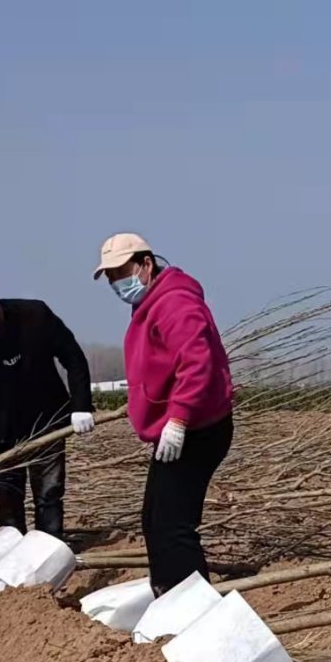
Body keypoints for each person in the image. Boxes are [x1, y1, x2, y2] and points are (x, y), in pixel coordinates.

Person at [92, 233, 234, 594]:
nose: (115, 283)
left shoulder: (174, 302)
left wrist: (178, 418)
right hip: (178, 428)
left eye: (120, 272)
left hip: (196, 429)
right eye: (109, 277)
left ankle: (192, 605)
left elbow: (197, 361)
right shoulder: (150, 303)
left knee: (173, 524)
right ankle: (168, 593)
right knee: (155, 519)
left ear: (146, 264)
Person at [0, 277, 95, 538]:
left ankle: (49, 546)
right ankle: (11, 549)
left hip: (47, 420)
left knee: (49, 492)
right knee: (6, 497)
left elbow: (73, 357)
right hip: (2, 430)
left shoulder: (34, 316)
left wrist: (81, 406)